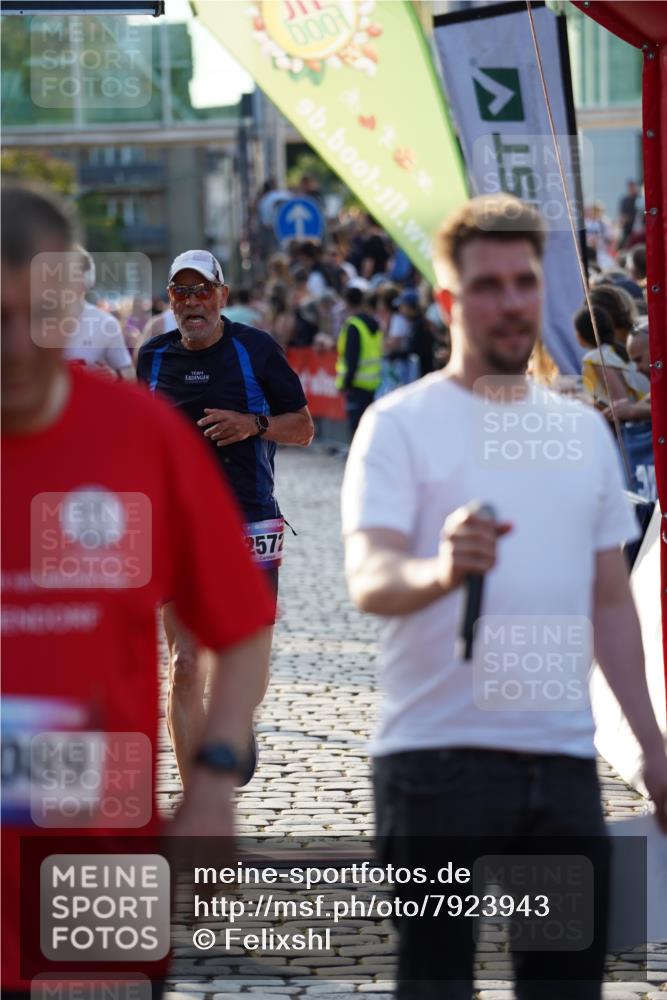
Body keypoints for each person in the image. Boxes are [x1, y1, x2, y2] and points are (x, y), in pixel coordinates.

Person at [341, 193, 667, 1000]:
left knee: (564, 987)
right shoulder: (398, 425)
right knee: (436, 984)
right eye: (488, 285)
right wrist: (441, 572)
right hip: (431, 766)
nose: (511, 301)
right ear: (450, 300)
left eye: (524, 281)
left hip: (558, 767)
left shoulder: (580, 431)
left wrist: (653, 747)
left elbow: (608, 602)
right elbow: (371, 581)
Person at [2, 185, 276, 998]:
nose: (18, 343)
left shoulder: (141, 436)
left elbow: (241, 623)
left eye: (39, 316)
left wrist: (214, 786)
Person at [137, 249, 314, 787]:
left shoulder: (255, 350)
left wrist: (252, 424)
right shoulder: (152, 358)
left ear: (222, 296)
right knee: (183, 666)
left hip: (250, 520)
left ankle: (235, 719)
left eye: (202, 291)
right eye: (182, 293)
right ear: (171, 300)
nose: (193, 304)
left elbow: (303, 427)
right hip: (178, 528)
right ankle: (199, 812)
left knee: (245, 673)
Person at [63, 245, 135, 380]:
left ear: (87, 279)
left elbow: (129, 374)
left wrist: (114, 377)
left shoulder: (106, 323)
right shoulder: (31, 321)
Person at [573, 304, 649, 407]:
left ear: (580, 335)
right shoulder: (617, 351)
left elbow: (620, 402)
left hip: (631, 418)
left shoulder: (595, 358)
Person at [335, 284, 383, 439]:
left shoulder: (353, 325)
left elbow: (351, 359)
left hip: (356, 384)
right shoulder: (373, 323)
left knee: (356, 430)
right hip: (373, 383)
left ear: (347, 302)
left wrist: (345, 383)